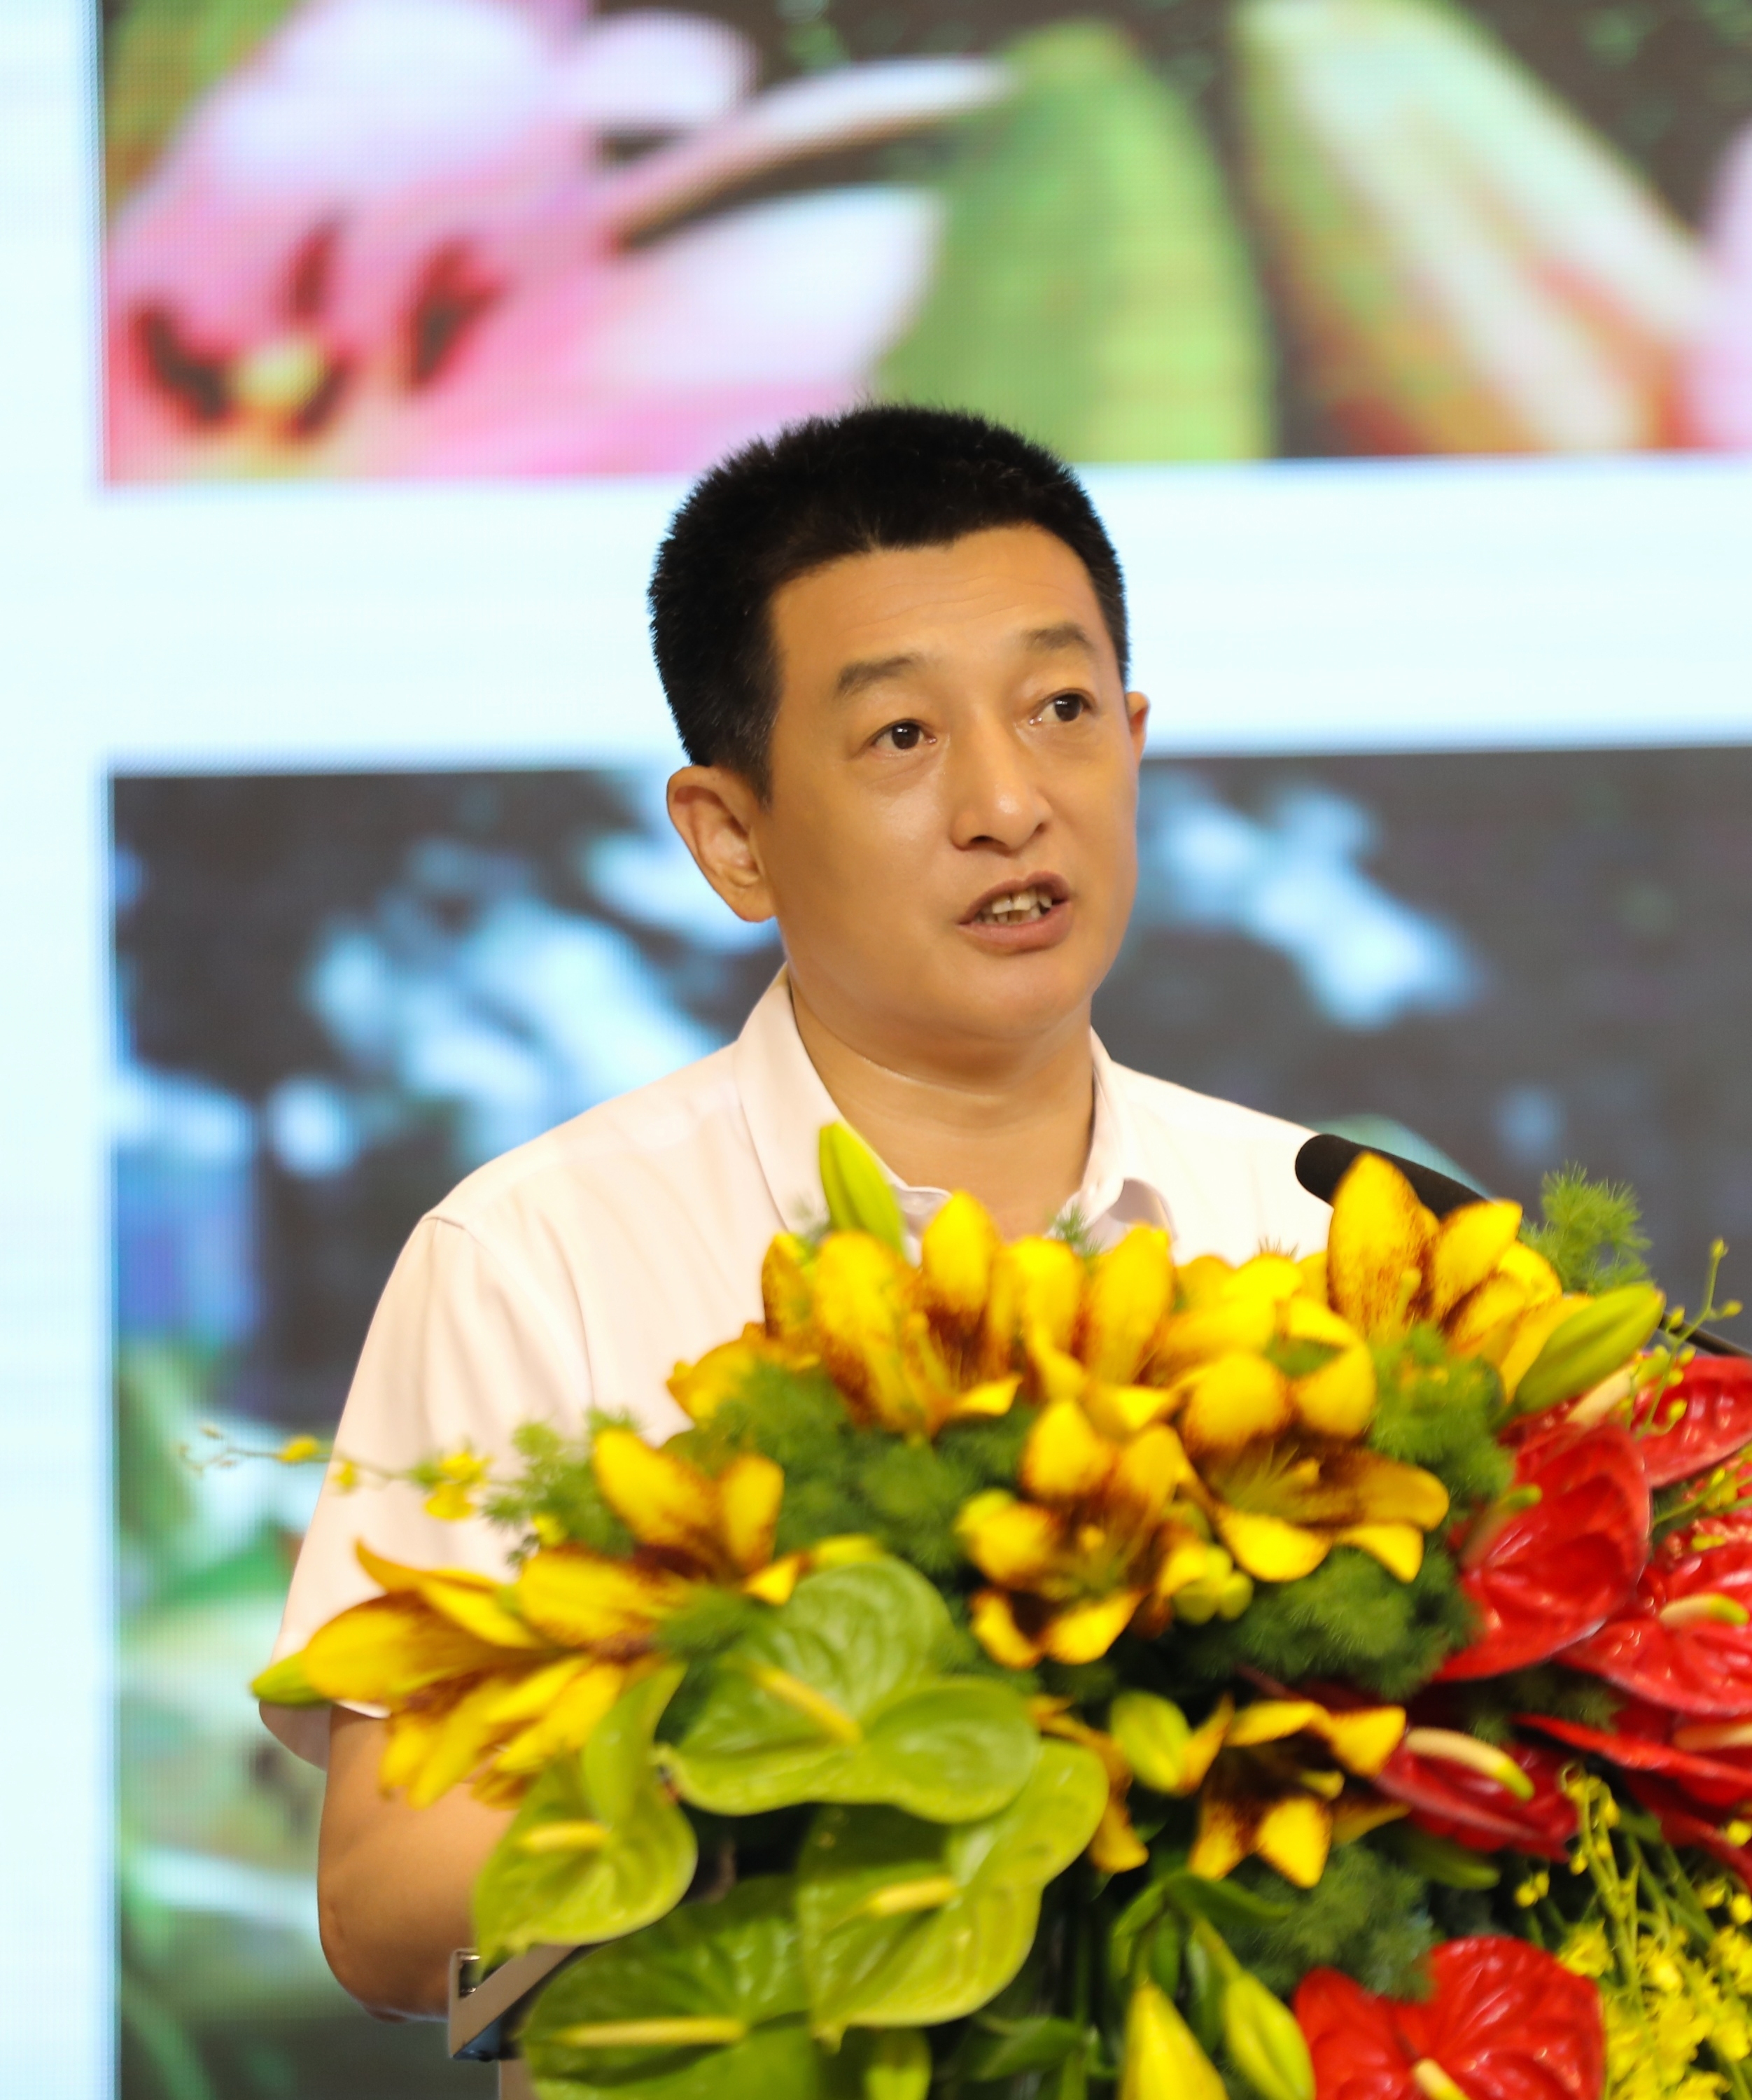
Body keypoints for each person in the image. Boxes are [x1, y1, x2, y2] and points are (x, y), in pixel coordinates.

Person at [271, 405, 1334, 2019]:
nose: (1007, 802)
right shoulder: (539, 1261)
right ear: (733, 838)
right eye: (902, 736)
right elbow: (389, 1901)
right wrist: (840, 1732)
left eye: (1059, 710)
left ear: (1133, 741)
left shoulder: (1322, 1227)